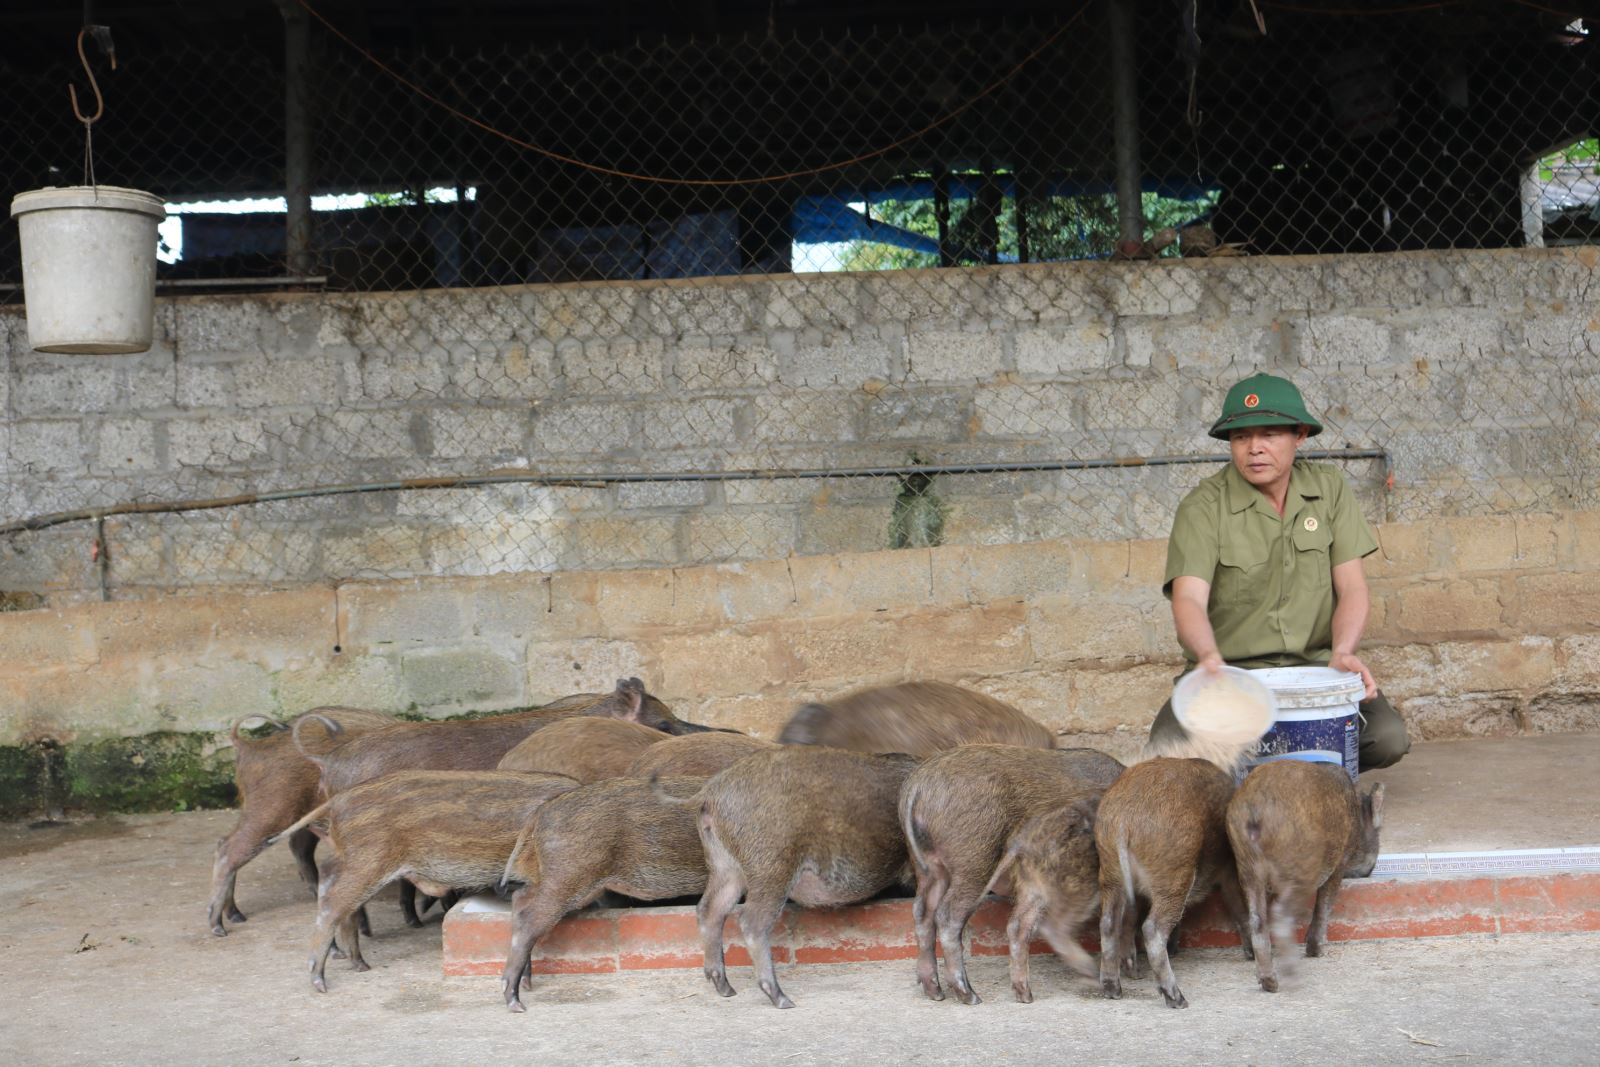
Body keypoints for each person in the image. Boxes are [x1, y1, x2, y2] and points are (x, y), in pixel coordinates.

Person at [1149, 372, 1410, 771]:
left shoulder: (1329, 490)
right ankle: (1292, 763)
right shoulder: (1203, 506)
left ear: (1299, 435)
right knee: (1169, 754)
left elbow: (1353, 587)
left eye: (1269, 434)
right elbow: (1188, 597)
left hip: (1315, 673)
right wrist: (1208, 658)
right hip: (1231, 676)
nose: (1254, 449)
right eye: (1240, 438)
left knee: (1387, 739)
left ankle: (1275, 765)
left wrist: (1342, 652)